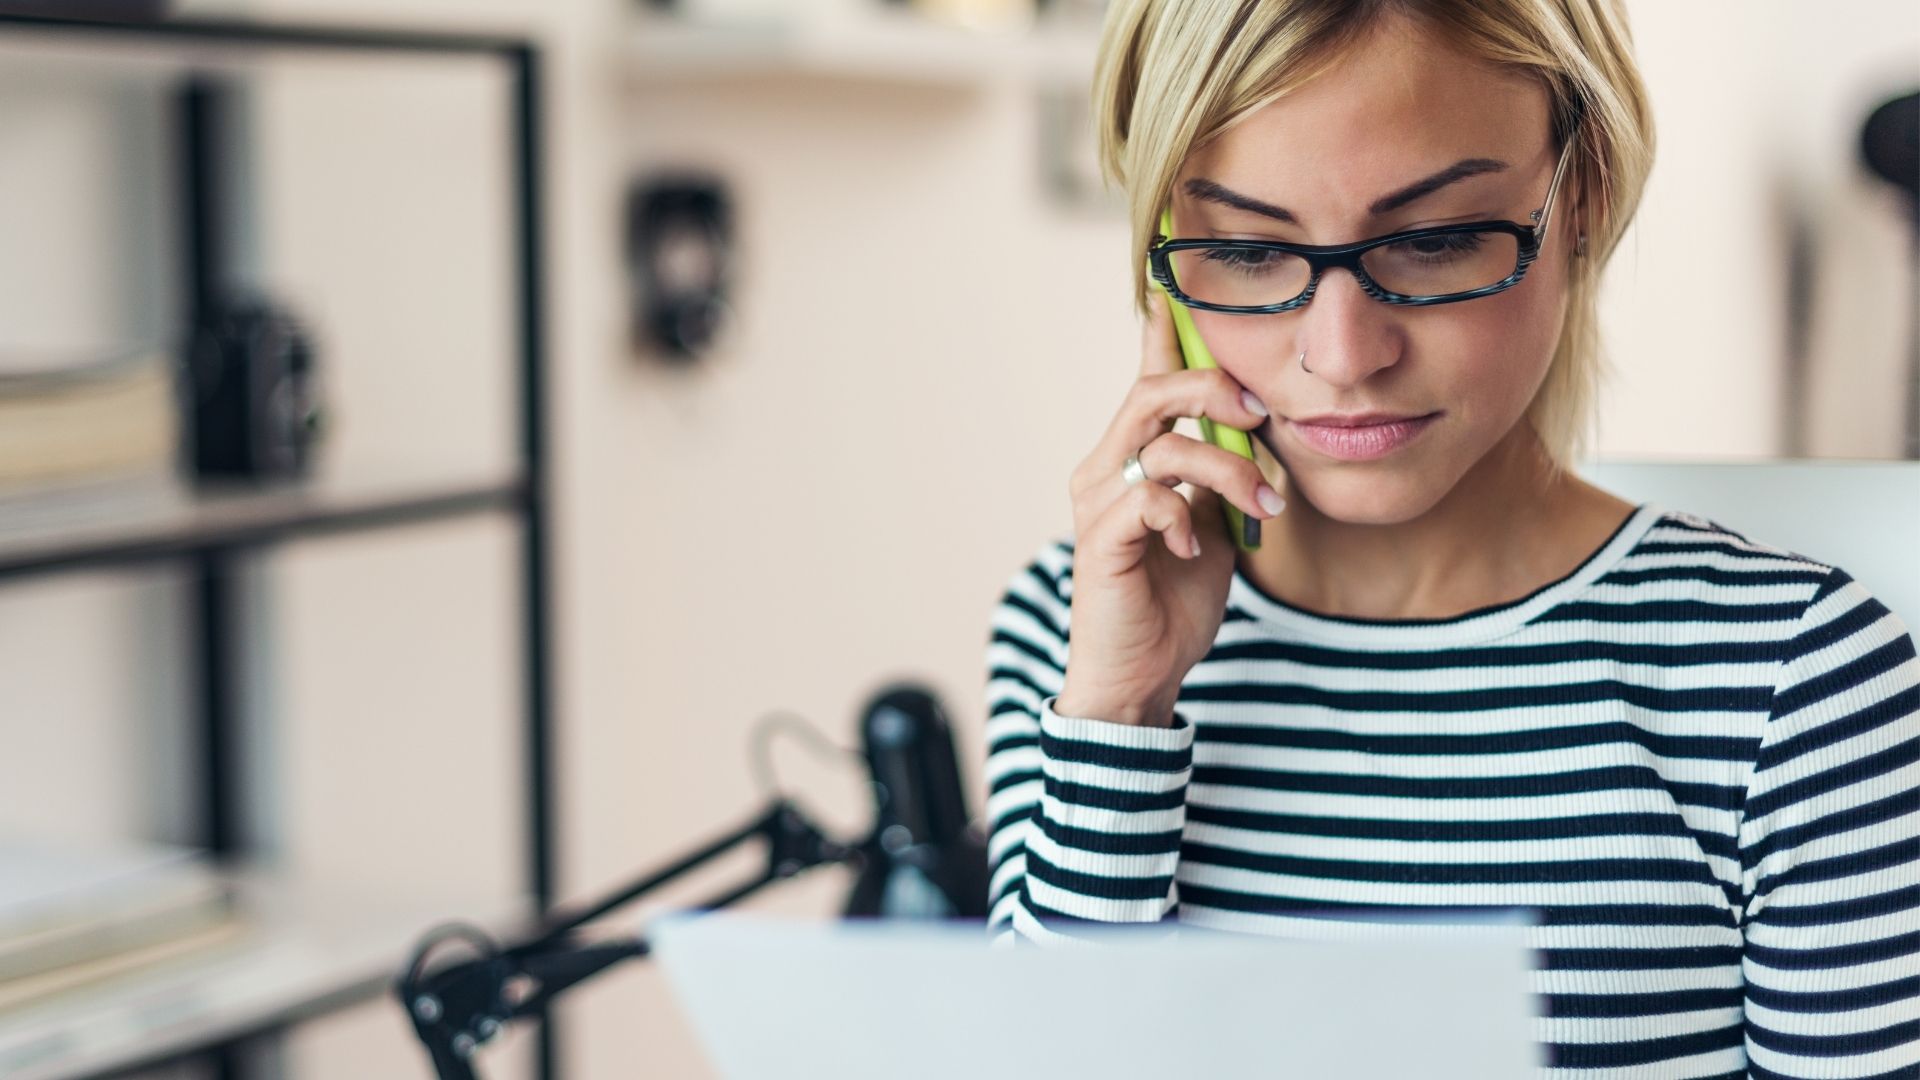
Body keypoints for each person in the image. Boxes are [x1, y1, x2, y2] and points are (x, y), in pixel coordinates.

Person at [981, 1, 1920, 1077]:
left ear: (1586, 201)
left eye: (1432, 240)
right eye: (1244, 248)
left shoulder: (1790, 674)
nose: (1342, 355)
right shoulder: (1074, 624)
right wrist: (1121, 717)